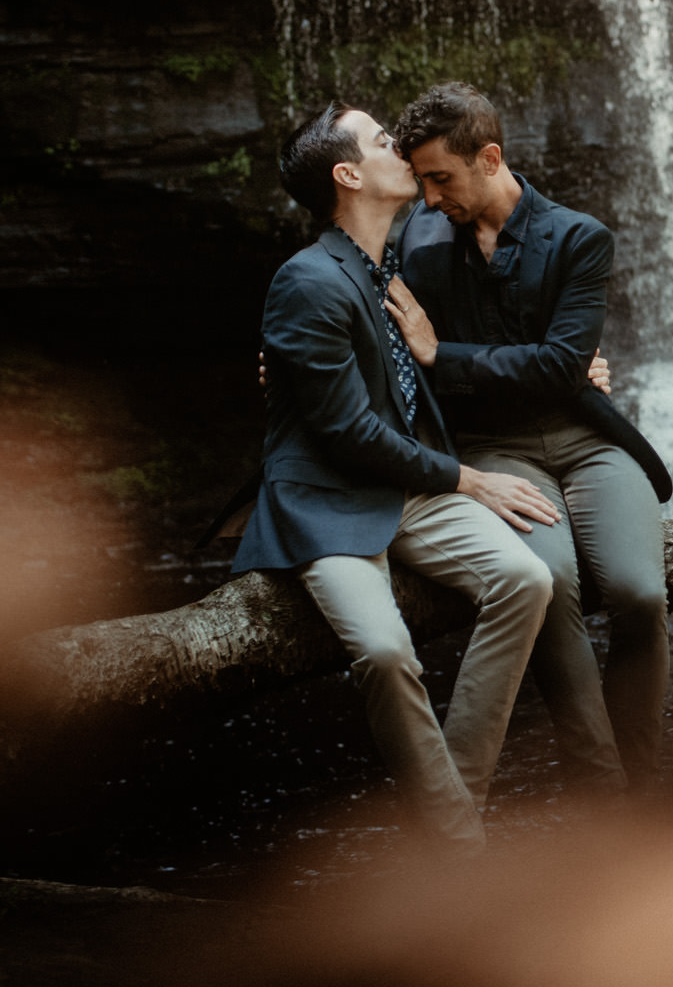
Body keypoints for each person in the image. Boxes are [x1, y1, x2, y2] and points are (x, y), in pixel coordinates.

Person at [232, 102, 563, 850]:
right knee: (385, 651)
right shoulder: (308, 280)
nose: (404, 152)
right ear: (349, 174)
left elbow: (484, 341)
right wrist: (470, 480)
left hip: (407, 490)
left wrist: (577, 376)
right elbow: (347, 432)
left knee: (528, 580)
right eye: (385, 142)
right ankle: (461, 847)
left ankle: (455, 811)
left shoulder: (396, 262)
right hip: (331, 499)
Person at [385, 82, 673, 789]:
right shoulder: (414, 249)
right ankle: (600, 786)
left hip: (587, 440)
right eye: (420, 180)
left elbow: (557, 371)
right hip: (493, 454)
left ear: (489, 157)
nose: (427, 198)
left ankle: (645, 772)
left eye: (440, 179)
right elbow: (382, 351)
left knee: (640, 592)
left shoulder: (579, 238)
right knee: (550, 581)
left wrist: (441, 355)